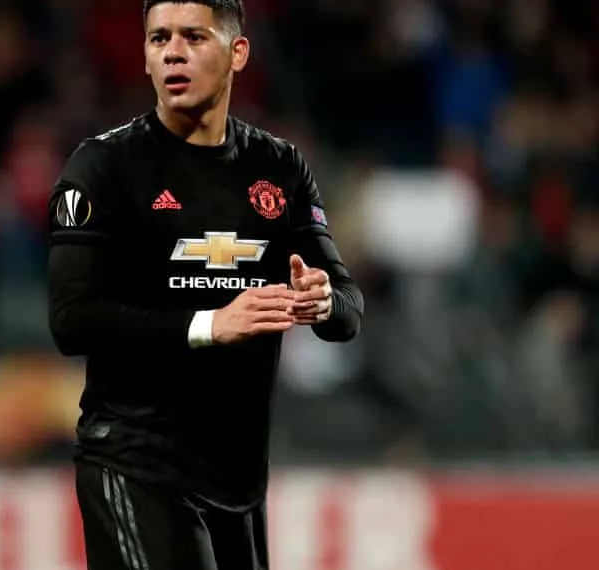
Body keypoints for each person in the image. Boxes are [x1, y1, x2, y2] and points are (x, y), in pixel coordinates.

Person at [46, 1, 364, 569]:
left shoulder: (279, 167)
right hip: (133, 462)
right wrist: (209, 324)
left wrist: (320, 300)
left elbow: (346, 310)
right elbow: (72, 320)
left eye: (194, 36)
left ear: (237, 52)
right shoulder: (102, 168)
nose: (173, 52)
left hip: (237, 484)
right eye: (158, 38)